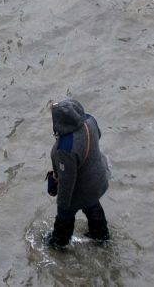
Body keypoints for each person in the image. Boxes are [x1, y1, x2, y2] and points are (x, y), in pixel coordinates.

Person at [46, 99, 110, 248]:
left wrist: (62, 206)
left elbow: (67, 182)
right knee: (93, 205)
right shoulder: (90, 121)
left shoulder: (66, 148)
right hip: (99, 178)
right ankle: (102, 238)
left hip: (82, 188)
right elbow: (98, 136)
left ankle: (59, 243)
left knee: (66, 216)